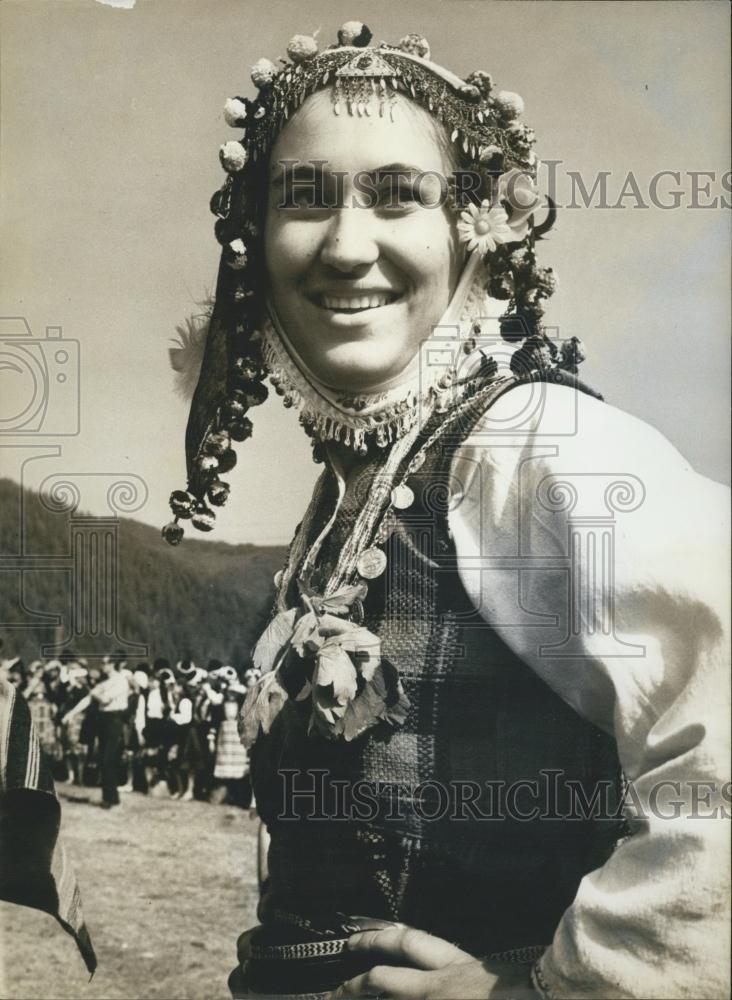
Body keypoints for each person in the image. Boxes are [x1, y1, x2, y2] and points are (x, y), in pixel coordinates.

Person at [164, 22, 730, 1000]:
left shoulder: (535, 446)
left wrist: (569, 988)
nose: (347, 244)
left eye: (397, 194)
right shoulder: (350, 491)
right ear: (253, 236)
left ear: (473, 227)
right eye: (304, 197)